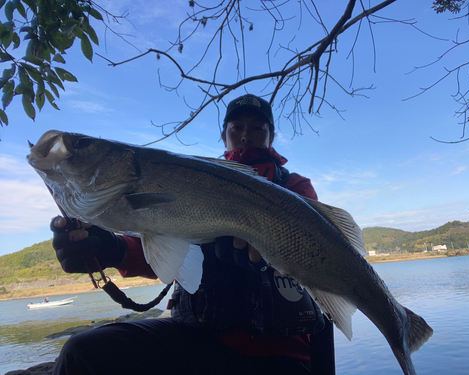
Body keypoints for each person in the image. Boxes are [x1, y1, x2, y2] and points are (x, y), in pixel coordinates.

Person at [50, 94, 334, 375]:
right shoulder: (189, 179)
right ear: (224, 136)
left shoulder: (294, 186)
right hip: (198, 338)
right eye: (236, 127)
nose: (246, 135)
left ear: (271, 136)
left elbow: (314, 251)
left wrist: (263, 253)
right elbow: (162, 244)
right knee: (84, 352)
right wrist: (112, 249)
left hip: (279, 350)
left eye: (258, 127)